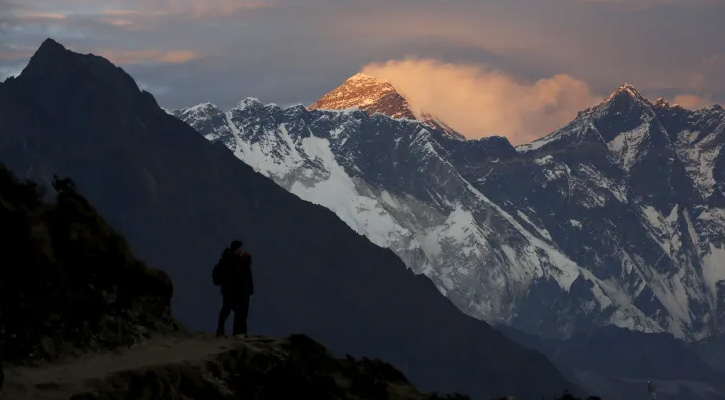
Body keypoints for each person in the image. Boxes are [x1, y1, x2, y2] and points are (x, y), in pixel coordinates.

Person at [215, 240, 254, 337]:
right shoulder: (234, 260)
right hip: (233, 291)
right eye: (240, 248)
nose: (241, 250)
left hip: (230, 290)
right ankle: (236, 333)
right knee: (235, 312)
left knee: (229, 311)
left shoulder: (230, 259)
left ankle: (224, 331)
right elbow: (240, 277)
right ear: (236, 248)